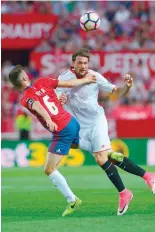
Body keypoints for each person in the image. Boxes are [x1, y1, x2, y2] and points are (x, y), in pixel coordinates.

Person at [57, 48, 155, 216]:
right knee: (104, 155)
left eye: (86, 63)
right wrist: (61, 99)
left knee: (100, 157)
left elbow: (116, 92)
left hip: (96, 121)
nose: (83, 66)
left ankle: (125, 192)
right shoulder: (64, 78)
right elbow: (57, 97)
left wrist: (127, 87)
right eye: (80, 63)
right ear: (73, 63)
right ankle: (147, 176)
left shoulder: (94, 76)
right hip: (79, 126)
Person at [8, 65, 96, 217]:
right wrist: (87, 79)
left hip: (61, 130)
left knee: (49, 169)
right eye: (25, 74)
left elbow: (37, 105)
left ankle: (72, 200)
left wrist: (48, 119)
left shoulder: (25, 99)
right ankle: (104, 151)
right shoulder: (43, 82)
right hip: (71, 121)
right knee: (77, 145)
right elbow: (69, 84)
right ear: (24, 78)